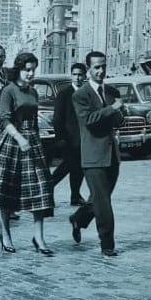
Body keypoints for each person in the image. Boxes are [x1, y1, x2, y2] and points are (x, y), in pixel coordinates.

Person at [0, 52, 55, 255]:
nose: (31, 74)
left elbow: (34, 118)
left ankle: (38, 237)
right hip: (13, 141)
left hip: (32, 142)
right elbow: (4, 119)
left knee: (41, 190)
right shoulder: (9, 91)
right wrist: (19, 138)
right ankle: (5, 234)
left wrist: (37, 141)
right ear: (19, 69)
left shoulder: (33, 92)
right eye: (27, 70)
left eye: (33, 70)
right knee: (8, 191)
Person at [68, 51, 125, 256]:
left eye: (103, 67)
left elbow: (119, 120)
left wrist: (120, 112)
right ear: (88, 69)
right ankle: (107, 244)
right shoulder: (80, 94)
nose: (101, 71)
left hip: (112, 155)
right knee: (104, 204)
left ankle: (78, 219)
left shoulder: (110, 91)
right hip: (93, 156)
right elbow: (89, 121)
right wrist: (112, 109)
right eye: (96, 67)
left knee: (99, 199)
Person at [51, 63, 88, 207]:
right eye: (75, 74)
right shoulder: (64, 93)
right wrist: (60, 138)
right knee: (67, 166)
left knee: (79, 168)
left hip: (83, 138)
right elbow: (57, 118)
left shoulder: (86, 92)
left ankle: (75, 195)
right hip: (68, 138)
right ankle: (49, 186)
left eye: (80, 75)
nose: (78, 77)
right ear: (71, 75)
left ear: (84, 76)